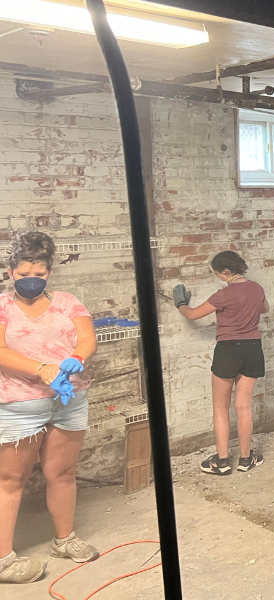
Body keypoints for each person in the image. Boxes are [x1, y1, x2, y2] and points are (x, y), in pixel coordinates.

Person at [0, 232, 98, 584]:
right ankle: (3, 561)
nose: (31, 280)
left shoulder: (68, 302)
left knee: (63, 473)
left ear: (49, 273)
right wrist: (42, 369)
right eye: (24, 272)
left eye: (39, 274)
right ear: (11, 272)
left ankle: (64, 539)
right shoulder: (2, 306)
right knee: (11, 481)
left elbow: (87, 337)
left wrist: (76, 358)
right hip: (20, 404)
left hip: (68, 401)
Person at [174, 251, 268, 475]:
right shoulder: (257, 288)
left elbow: (194, 314)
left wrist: (180, 304)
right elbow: (264, 309)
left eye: (217, 273)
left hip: (228, 350)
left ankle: (222, 461)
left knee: (220, 407)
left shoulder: (223, 295)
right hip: (253, 349)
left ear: (225, 272)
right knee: (243, 406)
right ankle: (246, 459)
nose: (218, 277)